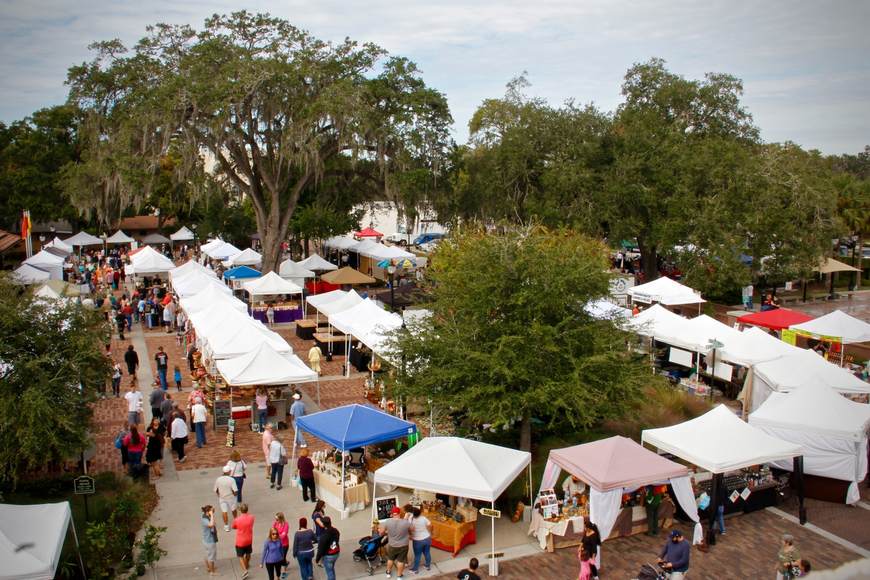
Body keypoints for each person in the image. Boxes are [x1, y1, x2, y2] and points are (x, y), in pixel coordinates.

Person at [379, 506, 412, 579]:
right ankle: (399, 576)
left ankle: (388, 573)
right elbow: (412, 530)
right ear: (399, 513)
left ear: (392, 514)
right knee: (400, 561)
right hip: (403, 545)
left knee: (390, 559)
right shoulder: (405, 522)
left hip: (392, 545)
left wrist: (386, 533)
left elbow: (381, 533)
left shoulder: (387, 522)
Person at [232, 503, 255, 580]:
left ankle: (245, 570)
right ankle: (247, 564)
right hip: (249, 539)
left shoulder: (237, 519)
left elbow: (234, 527)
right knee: (248, 553)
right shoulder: (252, 517)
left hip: (240, 541)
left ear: (240, 510)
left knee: (240, 556)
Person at [409, 506, 433, 574]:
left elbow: (409, 528)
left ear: (413, 514)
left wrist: (410, 535)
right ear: (420, 513)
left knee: (417, 555)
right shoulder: (424, 518)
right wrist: (430, 533)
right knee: (427, 552)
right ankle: (427, 566)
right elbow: (431, 525)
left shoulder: (411, 519)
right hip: (427, 538)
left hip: (417, 540)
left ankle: (415, 569)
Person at [314, 516, 340, 580]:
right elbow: (336, 540)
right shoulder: (335, 531)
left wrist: (317, 559)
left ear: (323, 524)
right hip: (336, 553)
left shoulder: (324, 536)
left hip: (329, 556)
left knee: (329, 572)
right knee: (331, 569)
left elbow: (320, 550)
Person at [215, 465, 239, 531]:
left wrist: (219, 495)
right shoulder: (231, 480)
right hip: (231, 498)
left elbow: (216, 489)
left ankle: (226, 526)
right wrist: (235, 495)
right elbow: (235, 491)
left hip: (222, 498)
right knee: (233, 510)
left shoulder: (218, 479)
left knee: (224, 511)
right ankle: (236, 523)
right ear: (228, 472)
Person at [201, 505, 219, 576]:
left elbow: (213, 524)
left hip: (207, 540)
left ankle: (209, 568)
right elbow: (211, 525)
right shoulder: (205, 519)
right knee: (211, 557)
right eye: (212, 510)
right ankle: (212, 572)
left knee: (208, 555)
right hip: (209, 541)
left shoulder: (205, 516)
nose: (213, 511)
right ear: (208, 512)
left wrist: (211, 515)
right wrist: (211, 515)